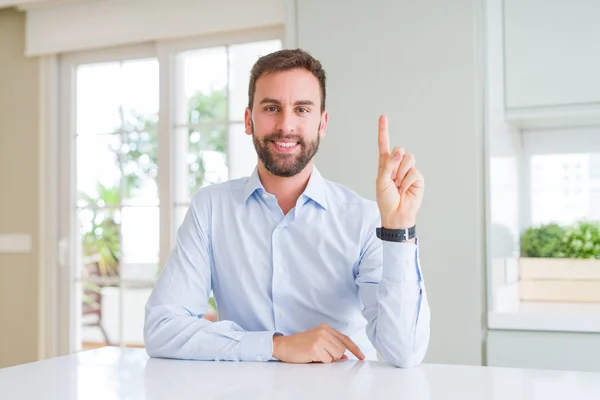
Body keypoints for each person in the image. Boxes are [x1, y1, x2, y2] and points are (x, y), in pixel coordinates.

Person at [144, 48, 430, 368]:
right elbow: (162, 328)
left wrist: (398, 227)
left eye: (302, 109)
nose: (286, 125)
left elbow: (404, 353)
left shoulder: (364, 219)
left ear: (322, 123)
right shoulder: (210, 209)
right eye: (271, 108)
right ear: (249, 120)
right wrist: (275, 345)